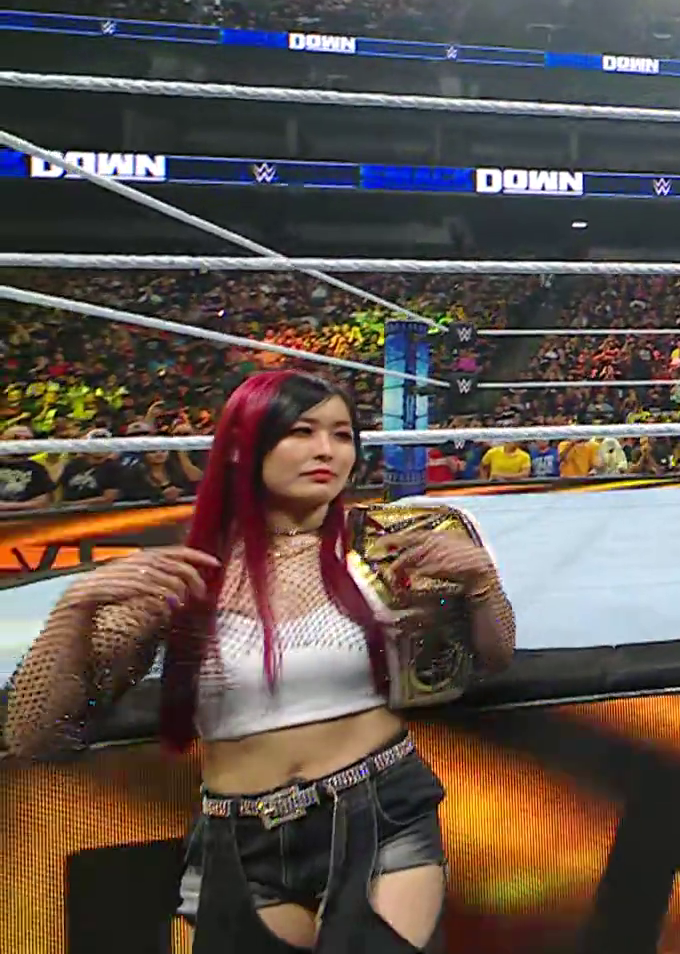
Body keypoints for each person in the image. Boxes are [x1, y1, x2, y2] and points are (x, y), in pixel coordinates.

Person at [1, 370, 517, 953]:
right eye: (302, 431)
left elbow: (495, 657)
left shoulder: (386, 549)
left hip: (381, 813)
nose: (327, 450)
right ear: (243, 447)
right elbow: (33, 735)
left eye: (342, 434)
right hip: (240, 836)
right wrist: (74, 610)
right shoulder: (187, 578)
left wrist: (482, 583)